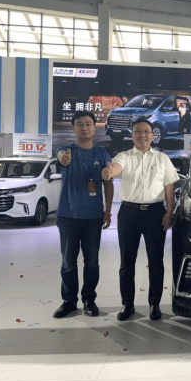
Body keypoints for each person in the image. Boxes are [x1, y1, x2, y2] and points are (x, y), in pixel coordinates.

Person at [102, 119, 179, 321]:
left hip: (155, 213)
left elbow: (169, 186)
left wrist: (169, 212)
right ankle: (127, 304)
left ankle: (155, 304)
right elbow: (116, 168)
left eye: (146, 131)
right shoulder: (124, 156)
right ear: (132, 134)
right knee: (126, 262)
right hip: (129, 213)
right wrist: (111, 172)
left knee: (156, 261)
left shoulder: (162, 159)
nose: (142, 135)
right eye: (138, 131)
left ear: (152, 136)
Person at [53, 111, 114, 318]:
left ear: (95, 127)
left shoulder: (102, 155)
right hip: (68, 216)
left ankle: (89, 300)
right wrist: (62, 158)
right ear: (73, 128)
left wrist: (108, 211)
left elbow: (108, 184)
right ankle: (69, 301)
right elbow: (60, 158)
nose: (84, 128)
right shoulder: (66, 151)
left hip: (93, 218)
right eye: (79, 124)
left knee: (92, 262)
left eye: (88, 124)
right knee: (68, 262)